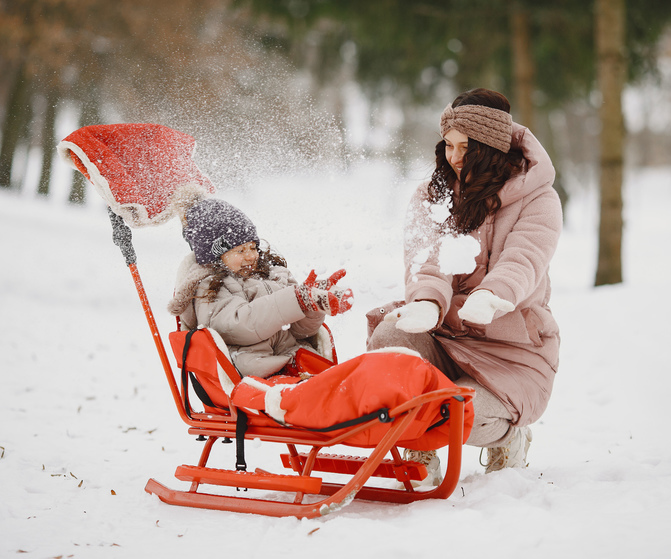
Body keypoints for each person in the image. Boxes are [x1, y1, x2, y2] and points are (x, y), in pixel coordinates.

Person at [367, 88, 562, 484]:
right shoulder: (431, 195)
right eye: (449, 146)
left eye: (465, 148)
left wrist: (493, 295)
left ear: (490, 147)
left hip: (509, 352)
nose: (454, 158)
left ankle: (509, 436)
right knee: (391, 337)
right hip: (444, 335)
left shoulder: (539, 199)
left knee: (461, 412)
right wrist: (426, 300)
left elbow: (524, 258)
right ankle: (419, 444)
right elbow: (427, 258)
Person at [168, 197, 353, 379]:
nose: (251, 256)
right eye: (240, 251)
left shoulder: (275, 275)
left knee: (352, 381)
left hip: (296, 363)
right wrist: (296, 299)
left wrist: (314, 302)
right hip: (255, 375)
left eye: (253, 247)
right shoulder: (211, 288)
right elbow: (240, 325)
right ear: (215, 256)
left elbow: (300, 331)